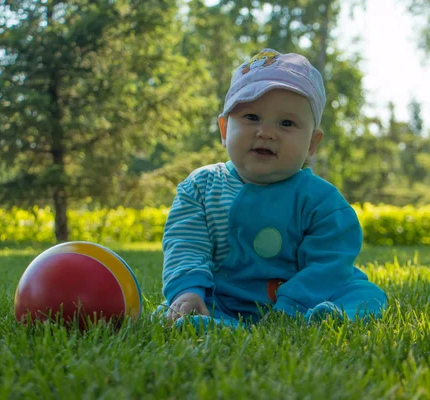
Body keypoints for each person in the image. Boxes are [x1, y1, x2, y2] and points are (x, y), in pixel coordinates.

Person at [157, 48, 388, 328]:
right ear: (224, 129)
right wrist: (187, 290)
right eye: (251, 117)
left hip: (308, 297)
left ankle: (325, 316)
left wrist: (291, 306)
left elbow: (329, 263)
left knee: (366, 293)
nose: (266, 132)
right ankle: (213, 321)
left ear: (311, 145)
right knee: (186, 308)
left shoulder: (321, 200)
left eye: (286, 123)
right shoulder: (200, 188)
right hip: (225, 297)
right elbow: (185, 245)